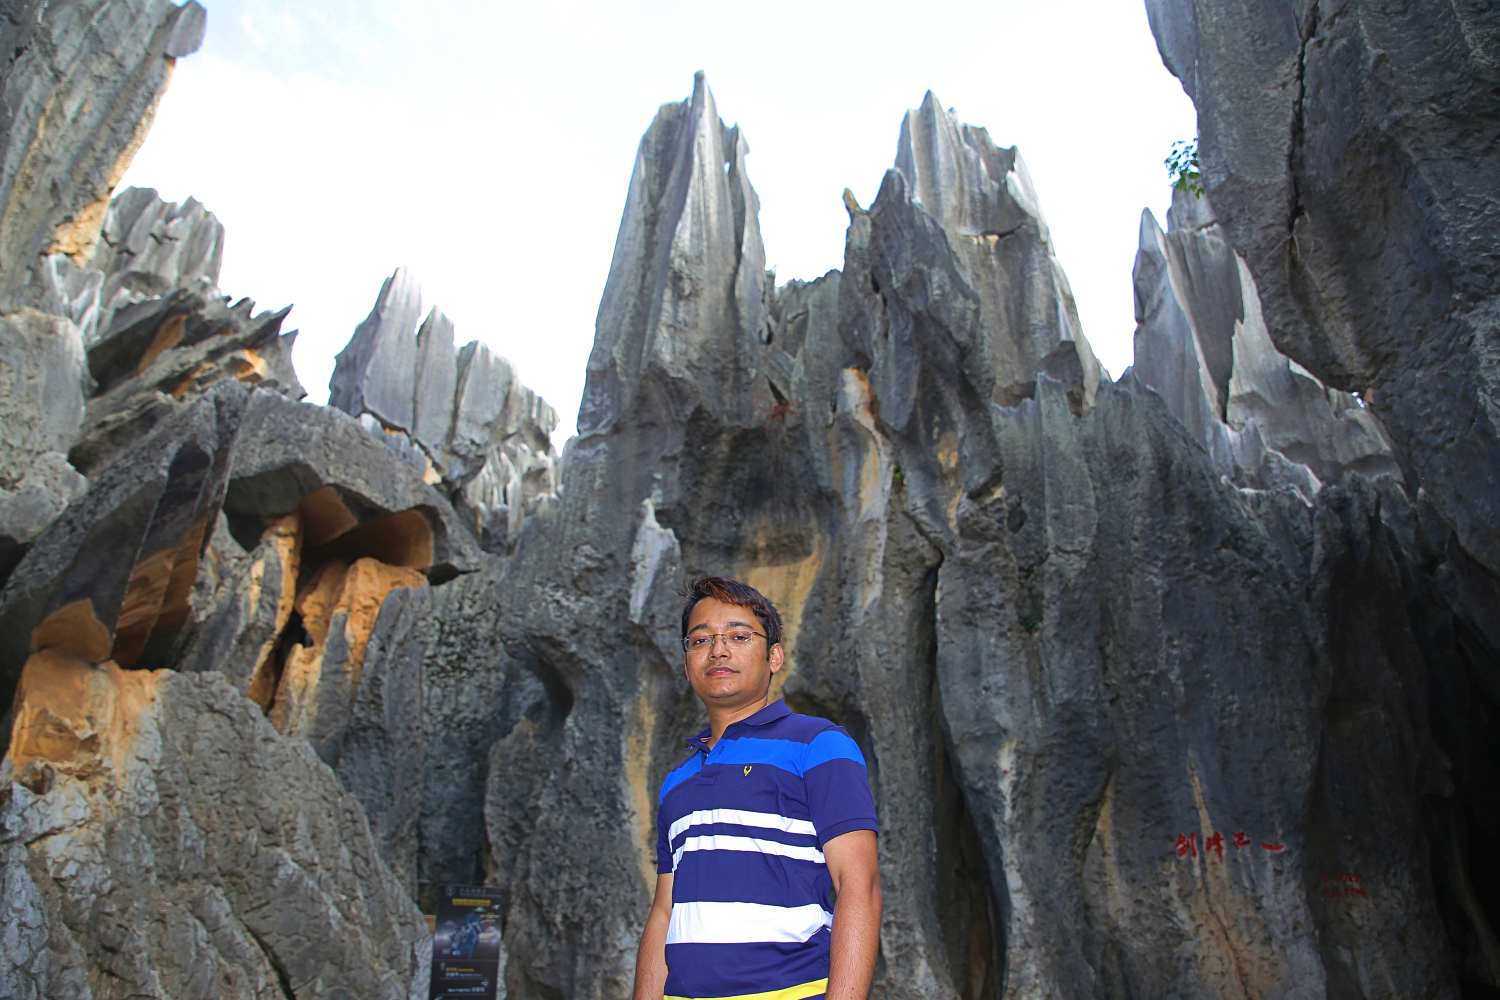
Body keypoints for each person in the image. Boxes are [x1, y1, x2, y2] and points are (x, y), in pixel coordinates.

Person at [632, 576, 881, 1000]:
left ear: (774, 656)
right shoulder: (678, 781)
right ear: (687, 663)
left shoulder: (819, 746)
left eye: (739, 636)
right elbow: (664, 912)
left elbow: (860, 885)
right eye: (700, 640)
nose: (718, 650)